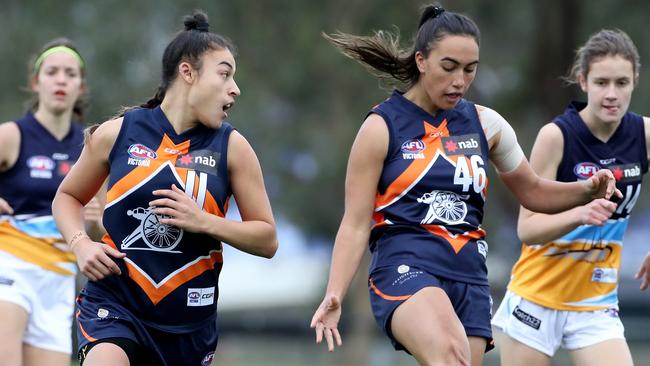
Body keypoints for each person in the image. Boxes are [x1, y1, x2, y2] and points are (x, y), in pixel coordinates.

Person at [310, 5, 621, 366]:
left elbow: (533, 191)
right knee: (450, 355)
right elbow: (355, 222)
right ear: (422, 61)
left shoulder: (486, 124)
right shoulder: (381, 127)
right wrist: (335, 293)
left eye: (470, 70)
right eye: (449, 67)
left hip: (469, 274)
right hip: (406, 266)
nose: (460, 80)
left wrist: (586, 190)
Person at [51, 10, 278, 366]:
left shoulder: (234, 149)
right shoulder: (117, 133)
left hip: (188, 326)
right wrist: (81, 246)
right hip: (115, 303)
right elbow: (67, 197)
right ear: (187, 72)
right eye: (225, 74)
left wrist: (203, 221)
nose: (235, 88)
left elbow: (267, 240)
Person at [492, 29, 648, 366]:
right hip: (536, 297)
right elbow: (527, 229)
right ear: (583, 80)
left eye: (621, 83)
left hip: (595, 305)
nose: (611, 94)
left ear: (635, 80)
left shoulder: (644, 134)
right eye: (601, 82)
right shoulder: (557, 136)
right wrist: (579, 214)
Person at [0, 38, 101, 366]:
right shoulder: (11, 136)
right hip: (9, 270)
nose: (61, 80)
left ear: (80, 86)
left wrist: (97, 223)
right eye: (52, 72)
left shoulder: (93, 148)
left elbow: (98, 236)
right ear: (35, 81)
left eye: (70, 74)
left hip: (58, 281)